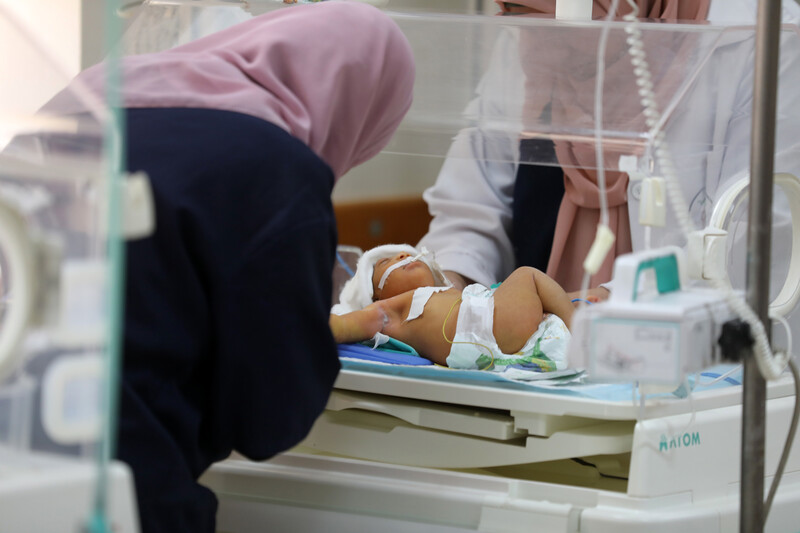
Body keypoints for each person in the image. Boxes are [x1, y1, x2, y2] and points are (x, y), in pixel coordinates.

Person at [42, 3, 414, 533]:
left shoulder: (83, 100)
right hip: (118, 485)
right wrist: (312, 338)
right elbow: (269, 423)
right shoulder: (273, 169)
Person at [418, 0, 800, 303]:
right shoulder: (532, 27)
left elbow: (750, 253)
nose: (535, 39)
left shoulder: (767, 38)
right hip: (530, 369)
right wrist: (443, 286)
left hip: (701, 378)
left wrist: (576, 316)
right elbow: (471, 210)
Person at [330, 245, 574, 371]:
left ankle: (577, 318)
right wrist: (316, 324)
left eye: (404, 254)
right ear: (374, 294)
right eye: (386, 262)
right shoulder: (390, 310)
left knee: (542, 302)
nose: (403, 254)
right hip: (489, 326)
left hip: (491, 335)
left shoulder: (445, 294)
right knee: (527, 275)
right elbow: (348, 323)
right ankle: (579, 329)